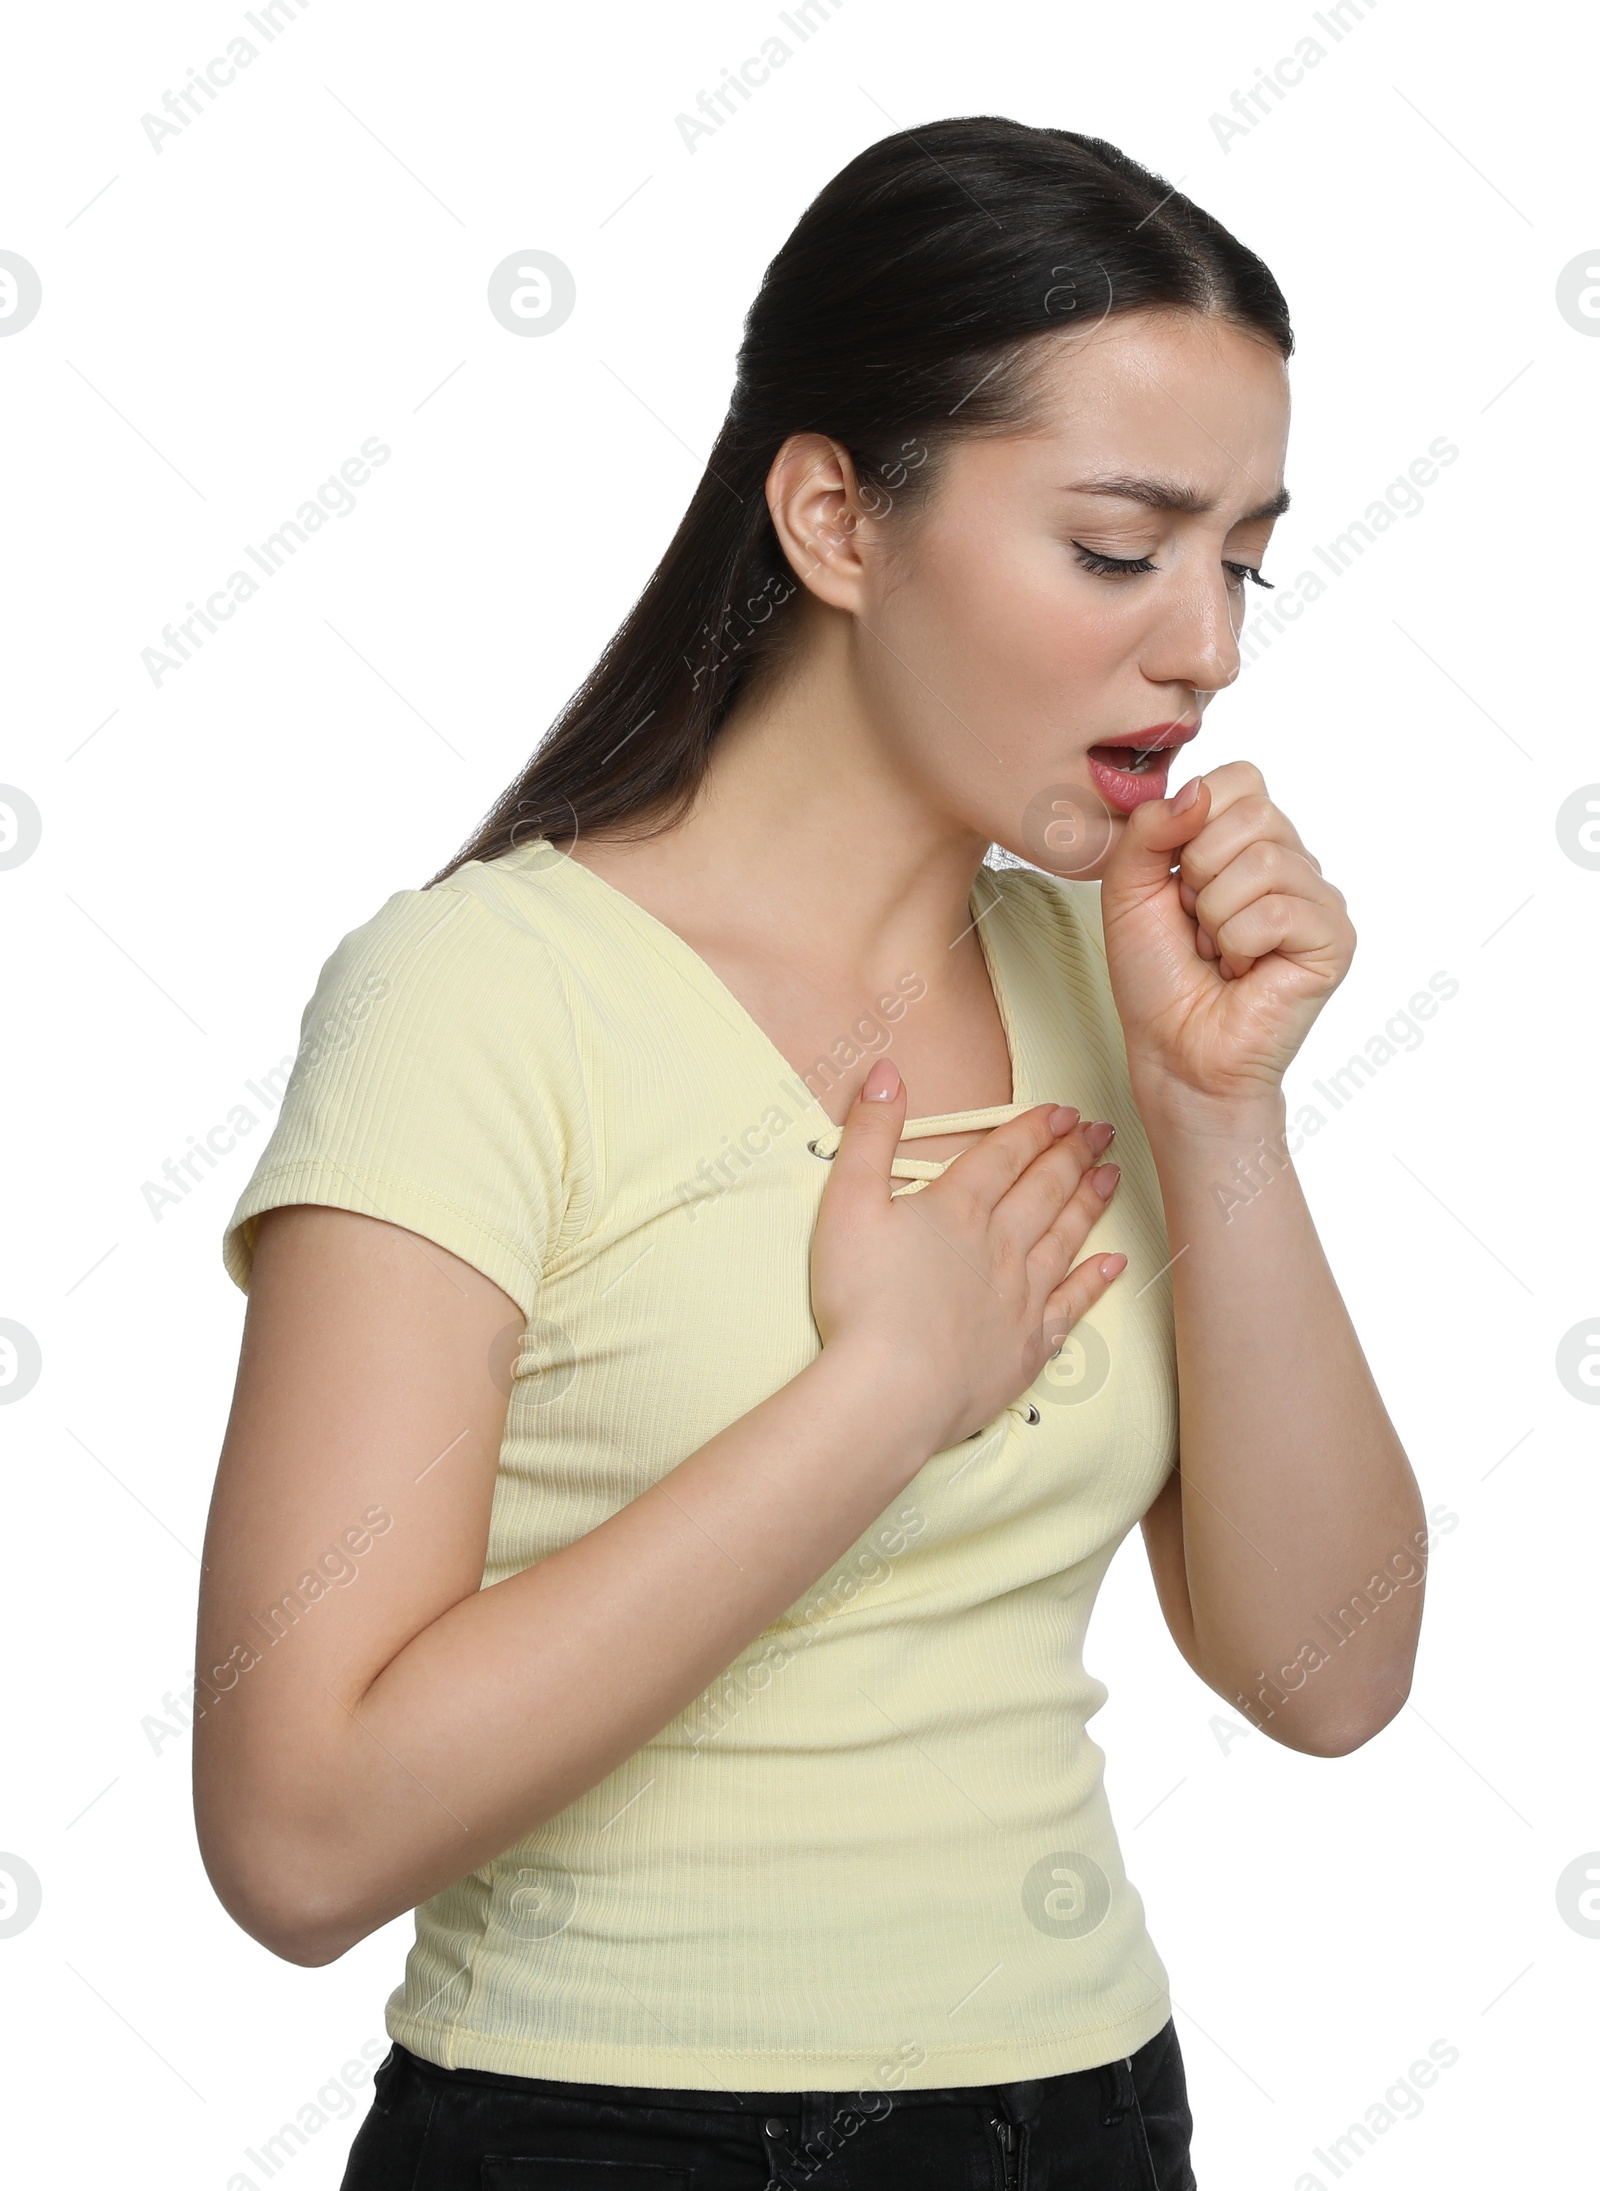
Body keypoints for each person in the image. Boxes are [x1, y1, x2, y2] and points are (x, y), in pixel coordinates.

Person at [194, 115, 1426, 2189]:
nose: (1204, 644)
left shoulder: (1107, 983)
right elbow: (296, 1834)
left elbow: (1325, 1673)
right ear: (837, 521)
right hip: (601, 2138)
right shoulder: (475, 1003)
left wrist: (1218, 1102)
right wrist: (883, 1392)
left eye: (1243, 556)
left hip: (1090, 2110)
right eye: (1119, 549)